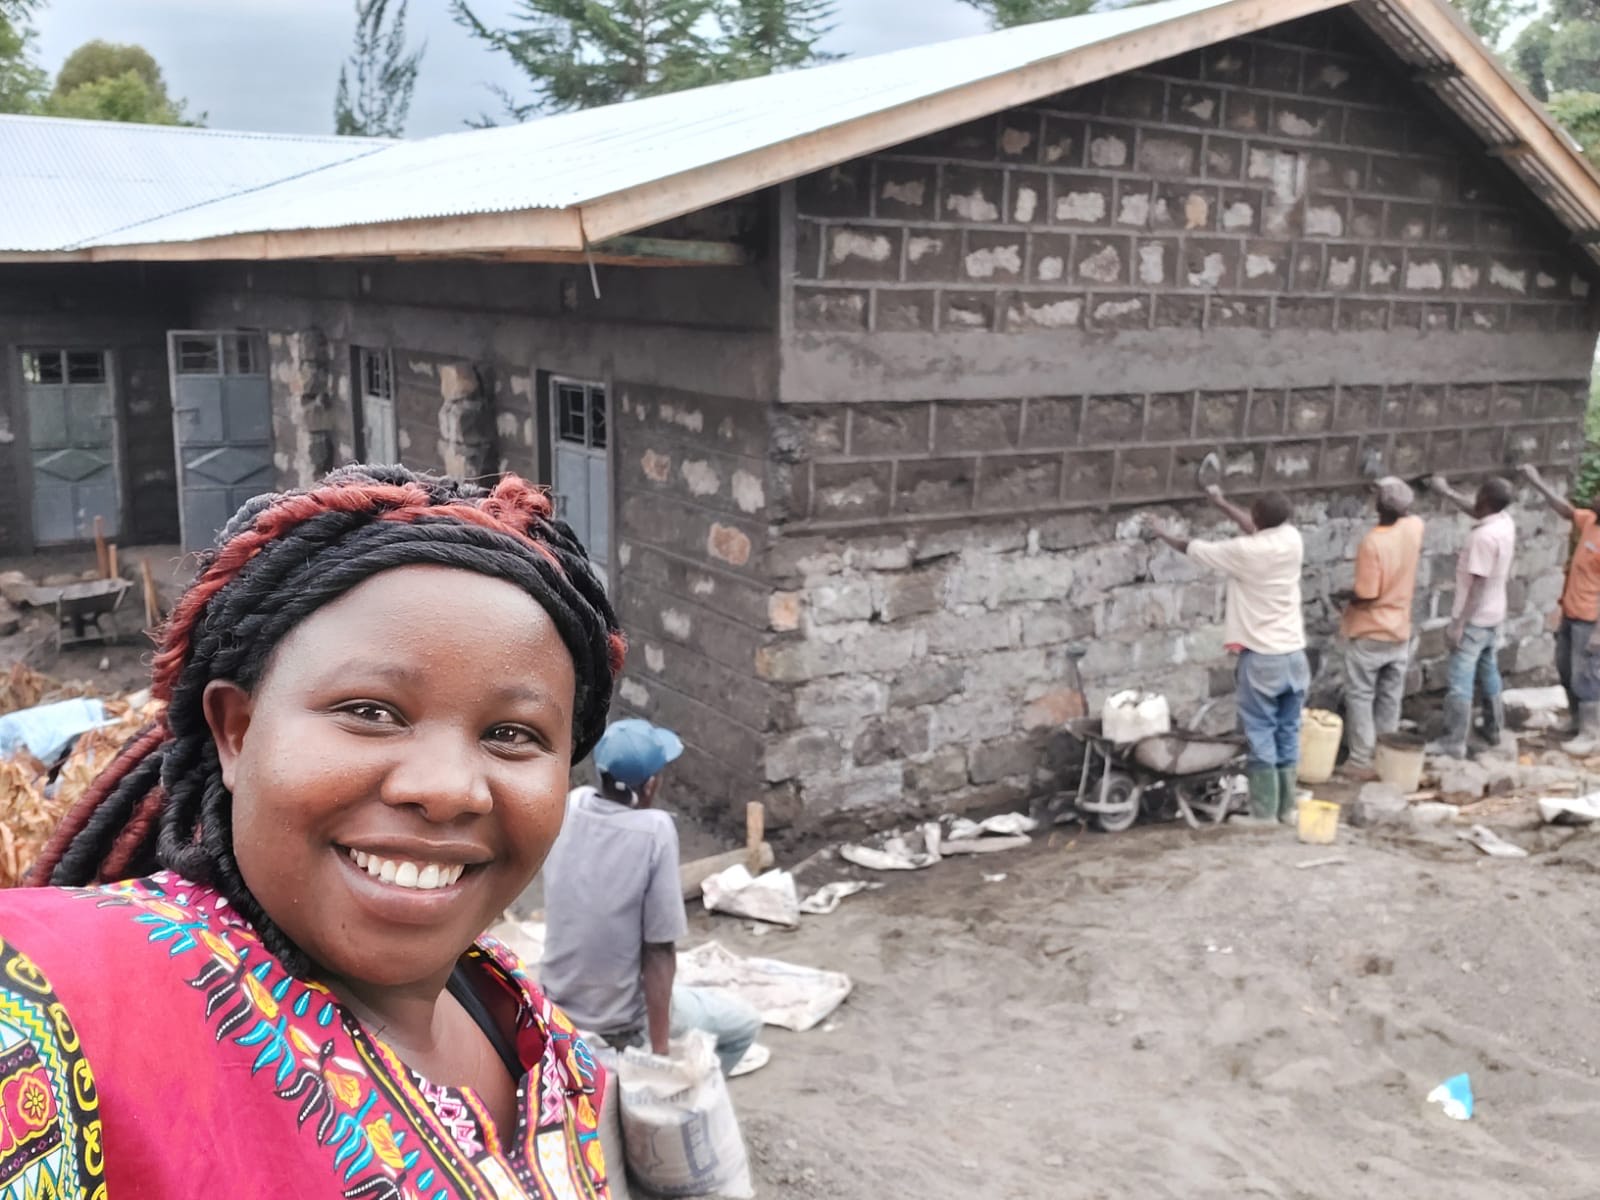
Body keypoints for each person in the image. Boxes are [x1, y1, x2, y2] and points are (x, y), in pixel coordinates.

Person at [1, 465, 626, 1198]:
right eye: (370, 712)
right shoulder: (48, 1011)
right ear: (236, 732)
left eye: (512, 734)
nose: (446, 789)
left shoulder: (534, 1033)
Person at [541, 719, 764, 1077]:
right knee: (743, 1025)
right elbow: (659, 951)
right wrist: (659, 1051)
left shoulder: (572, 804)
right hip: (621, 1022)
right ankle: (689, 1099)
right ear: (649, 785)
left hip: (557, 1004)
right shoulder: (654, 830)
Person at [1147, 485, 1308, 824]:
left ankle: (1264, 814)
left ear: (1257, 518)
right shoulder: (1292, 538)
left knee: (1260, 732)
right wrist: (1220, 502)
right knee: (1288, 731)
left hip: (1263, 659)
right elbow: (1256, 527)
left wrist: (1162, 533)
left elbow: (1192, 547)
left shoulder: (1244, 552)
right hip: (1295, 657)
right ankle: (1287, 809)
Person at [1338, 478, 1426, 781]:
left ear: (1378, 507)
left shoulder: (1373, 542)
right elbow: (1407, 508)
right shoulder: (1414, 528)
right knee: (1390, 696)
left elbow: (1367, 593)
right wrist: (1386, 488)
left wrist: (1344, 596)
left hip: (1370, 629)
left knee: (1361, 696)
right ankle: (1386, 754)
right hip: (1399, 629)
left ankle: (1360, 760)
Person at [1425, 474, 1517, 759]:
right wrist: (1447, 492)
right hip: (1494, 613)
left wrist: (1458, 624)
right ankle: (1493, 728)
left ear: (1484, 499)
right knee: (1488, 670)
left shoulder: (1482, 538)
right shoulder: (1504, 522)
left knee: (1459, 680)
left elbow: (1477, 585)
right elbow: (1477, 511)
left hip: (1475, 618)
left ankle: (1453, 741)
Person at [1520, 464, 1600, 753]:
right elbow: (1567, 511)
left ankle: (1592, 734)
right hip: (1571, 612)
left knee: (1587, 676)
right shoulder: (1591, 522)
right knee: (1565, 669)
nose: (1595, 498)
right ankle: (1576, 721)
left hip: (1590, 620)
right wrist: (1536, 481)